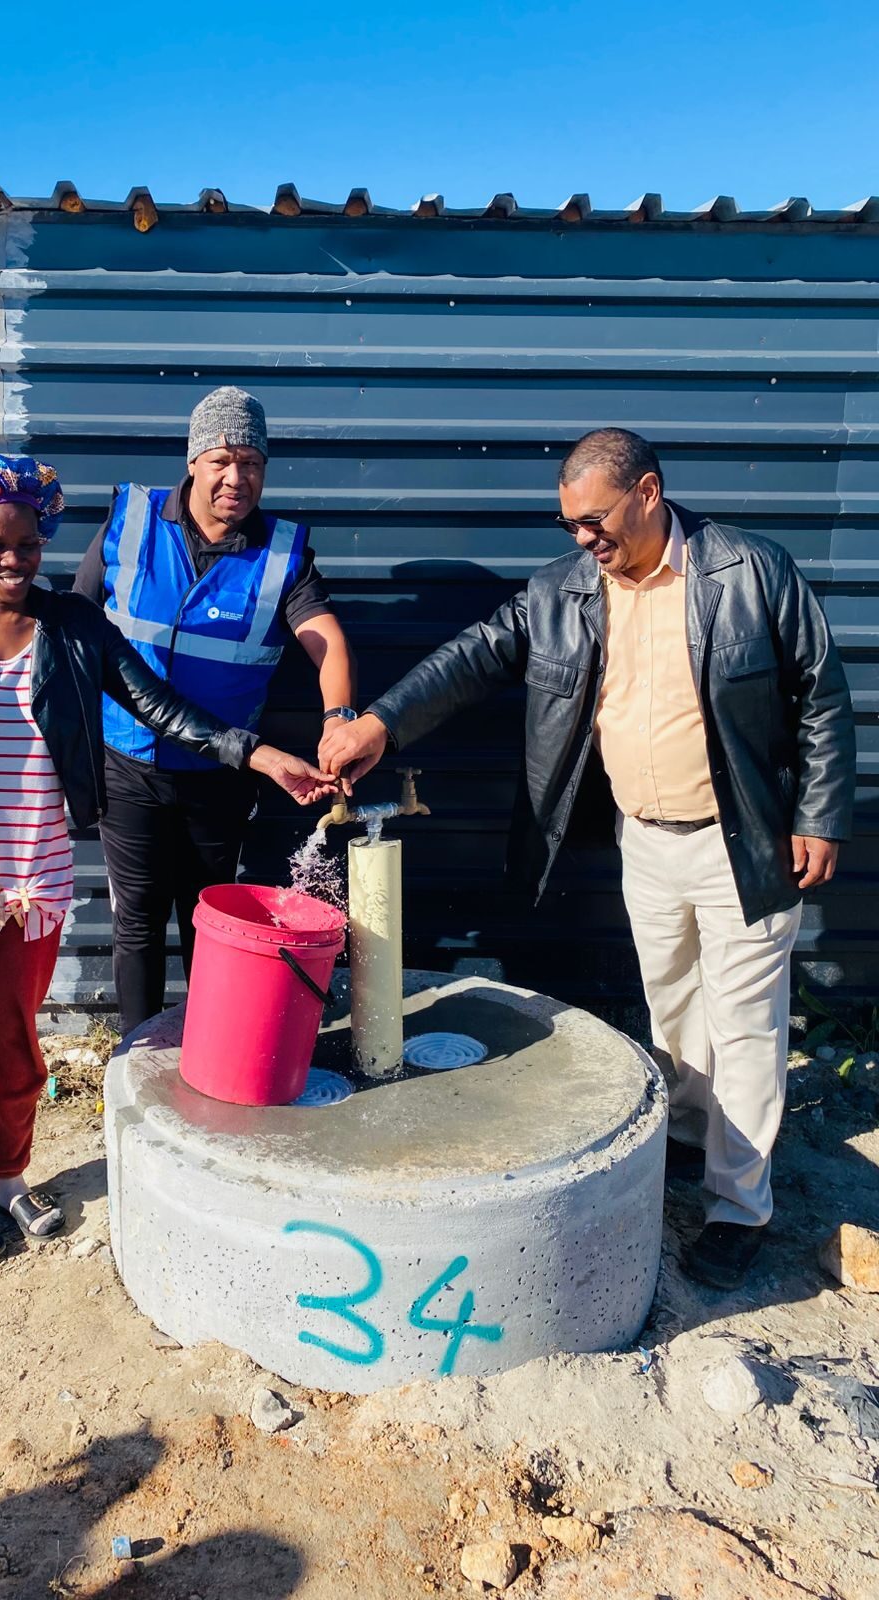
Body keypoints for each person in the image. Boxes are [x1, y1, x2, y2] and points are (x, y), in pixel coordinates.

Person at [322, 428, 855, 1291]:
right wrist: (379, 723)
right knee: (673, 1007)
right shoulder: (565, 591)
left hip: (743, 841)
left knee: (746, 1026)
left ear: (647, 493)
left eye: (594, 520)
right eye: (568, 524)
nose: (582, 538)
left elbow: (821, 696)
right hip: (646, 840)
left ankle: (739, 1208)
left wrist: (819, 817)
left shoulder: (749, 571)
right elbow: (472, 658)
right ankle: (693, 1138)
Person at [0, 451, 335, 1265]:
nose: (14, 560)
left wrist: (257, 755)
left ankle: (9, 1179)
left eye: (27, 543)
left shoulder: (73, 627)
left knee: (13, 1038)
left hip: (33, 870)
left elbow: (157, 705)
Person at [74, 386, 356, 1033]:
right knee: (137, 922)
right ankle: (138, 1055)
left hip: (221, 775)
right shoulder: (132, 522)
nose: (237, 477)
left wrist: (339, 720)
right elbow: (76, 630)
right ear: (193, 461)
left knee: (210, 921)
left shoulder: (283, 555)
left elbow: (328, 643)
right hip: (127, 765)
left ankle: (206, 1053)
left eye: (252, 463)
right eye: (222, 460)